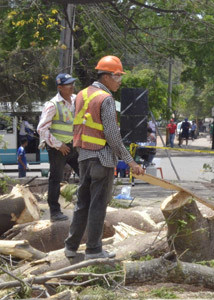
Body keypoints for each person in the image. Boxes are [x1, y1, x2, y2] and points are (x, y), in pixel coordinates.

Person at [64, 55, 145, 260]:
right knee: (98, 205)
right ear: (107, 76)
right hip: (102, 158)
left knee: (82, 202)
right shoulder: (106, 99)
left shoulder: (82, 94)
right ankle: (93, 250)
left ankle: (71, 247)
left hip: (84, 156)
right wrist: (130, 162)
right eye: (118, 76)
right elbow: (112, 136)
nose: (120, 81)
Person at [37, 73, 81, 222]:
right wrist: (58, 145)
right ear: (60, 87)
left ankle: (83, 205)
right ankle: (55, 212)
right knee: (55, 179)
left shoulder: (75, 100)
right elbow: (42, 129)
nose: (72, 86)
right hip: (58, 148)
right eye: (68, 84)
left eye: (72, 83)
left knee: (86, 173)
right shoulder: (52, 104)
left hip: (73, 146)